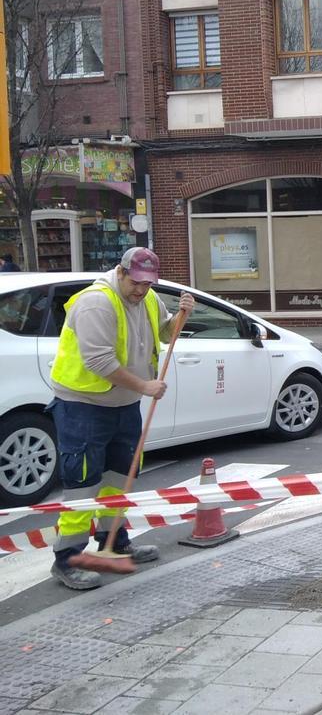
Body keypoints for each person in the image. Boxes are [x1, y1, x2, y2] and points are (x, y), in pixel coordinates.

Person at [47, 247, 194, 590]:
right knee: (83, 483)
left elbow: (163, 332)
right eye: (136, 282)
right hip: (84, 405)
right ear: (121, 271)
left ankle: (113, 541)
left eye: (148, 284)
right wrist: (144, 385)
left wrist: (180, 318)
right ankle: (67, 559)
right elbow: (99, 362)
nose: (141, 290)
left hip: (122, 406)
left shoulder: (149, 298)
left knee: (119, 477)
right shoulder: (96, 302)